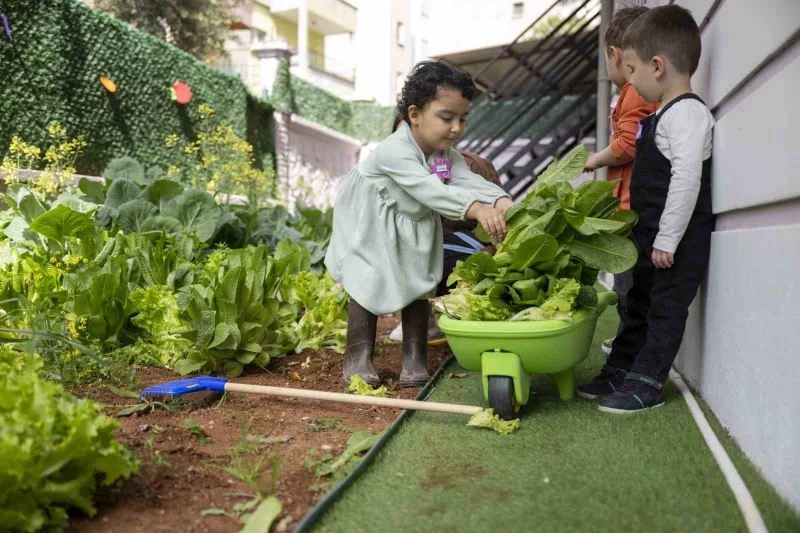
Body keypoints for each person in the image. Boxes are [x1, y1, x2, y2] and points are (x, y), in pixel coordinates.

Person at [325, 60, 514, 387]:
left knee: (418, 280)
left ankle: (414, 361)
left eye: (462, 119)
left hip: (410, 222)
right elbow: (428, 189)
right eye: (446, 117)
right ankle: (357, 360)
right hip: (370, 221)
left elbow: (465, 178)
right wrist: (475, 209)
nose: (456, 128)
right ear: (414, 114)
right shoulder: (395, 150)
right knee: (366, 279)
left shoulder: (443, 154)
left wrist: (501, 201)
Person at [578, 4, 715, 413]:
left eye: (633, 69)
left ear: (657, 66)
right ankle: (621, 367)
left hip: (675, 242)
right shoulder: (662, 115)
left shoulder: (687, 114)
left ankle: (648, 381)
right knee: (638, 302)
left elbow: (687, 180)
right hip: (650, 237)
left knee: (664, 310)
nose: (630, 79)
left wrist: (668, 239)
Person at [583, 6, 658, 356]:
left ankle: (631, 346)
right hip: (632, 206)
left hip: (632, 208)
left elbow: (629, 144)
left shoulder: (633, 91)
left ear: (615, 54)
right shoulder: (639, 92)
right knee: (629, 283)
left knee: (628, 284)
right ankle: (631, 339)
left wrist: (596, 159)